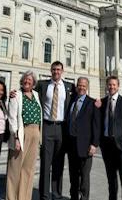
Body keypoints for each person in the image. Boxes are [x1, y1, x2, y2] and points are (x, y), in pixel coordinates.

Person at [37, 61, 76, 200]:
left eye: (58, 70)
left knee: (59, 163)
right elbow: (28, 93)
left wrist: (98, 103)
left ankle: (56, 193)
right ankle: (44, 195)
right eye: (54, 69)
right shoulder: (42, 85)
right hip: (47, 126)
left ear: (62, 71)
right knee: (45, 163)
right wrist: (15, 93)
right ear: (50, 70)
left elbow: (81, 99)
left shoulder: (69, 86)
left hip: (62, 128)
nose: (56, 72)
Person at [6, 71, 43, 200]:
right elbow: (12, 118)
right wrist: (15, 137)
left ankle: (24, 197)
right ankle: (11, 197)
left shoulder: (36, 95)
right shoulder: (16, 95)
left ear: (34, 83)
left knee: (28, 169)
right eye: (25, 79)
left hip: (36, 132)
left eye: (30, 80)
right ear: (22, 81)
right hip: (22, 132)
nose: (27, 81)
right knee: (15, 168)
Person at [99, 76, 122, 200]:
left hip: (121, 147)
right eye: (109, 85)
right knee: (111, 181)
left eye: (114, 85)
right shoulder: (103, 103)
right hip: (107, 146)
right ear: (107, 86)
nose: (111, 87)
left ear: (118, 86)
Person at [65, 77, 100, 200]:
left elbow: (96, 126)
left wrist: (94, 144)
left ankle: (84, 198)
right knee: (73, 175)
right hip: (71, 144)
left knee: (84, 176)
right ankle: (73, 196)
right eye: (79, 85)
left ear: (87, 87)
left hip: (86, 146)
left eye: (84, 86)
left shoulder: (93, 103)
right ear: (76, 86)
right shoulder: (71, 102)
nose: (81, 88)